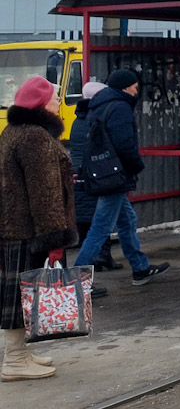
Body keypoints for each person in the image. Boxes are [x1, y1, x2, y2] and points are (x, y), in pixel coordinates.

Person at [0, 76, 75, 381]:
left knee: (19, 293)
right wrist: (53, 239)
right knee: (21, 295)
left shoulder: (13, 131)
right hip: (29, 230)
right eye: (55, 98)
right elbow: (45, 193)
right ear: (42, 103)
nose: (59, 102)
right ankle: (15, 359)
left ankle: (19, 354)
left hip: (12, 226)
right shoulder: (36, 137)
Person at [74, 69, 170, 286]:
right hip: (114, 175)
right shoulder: (120, 107)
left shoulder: (100, 105)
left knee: (127, 221)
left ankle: (140, 268)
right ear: (126, 87)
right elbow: (124, 143)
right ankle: (77, 280)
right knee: (101, 227)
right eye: (135, 87)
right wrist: (136, 165)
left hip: (105, 172)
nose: (137, 91)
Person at [67, 81, 121, 288]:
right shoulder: (95, 119)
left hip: (81, 175)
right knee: (99, 220)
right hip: (95, 174)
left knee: (89, 218)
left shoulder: (77, 119)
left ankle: (100, 259)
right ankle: (93, 264)